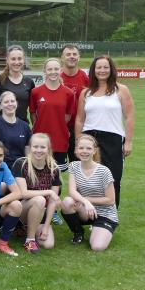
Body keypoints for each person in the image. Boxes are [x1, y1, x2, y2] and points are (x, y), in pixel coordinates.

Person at [75, 55, 134, 208]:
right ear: (93, 71)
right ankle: (90, 215)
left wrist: (128, 141)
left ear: (111, 69)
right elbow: (80, 120)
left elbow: (129, 117)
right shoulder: (86, 93)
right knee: (89, 178)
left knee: (113, 178)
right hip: (90, 139)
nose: (102, 70)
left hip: (113, 140)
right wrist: (78, 141)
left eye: (105, 67)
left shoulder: (121, 90)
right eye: (98, 67)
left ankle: (110, 217)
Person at [59, 134, 118, 251]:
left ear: (95, 151)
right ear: (76, 150)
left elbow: (110, 200)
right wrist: (85, 202)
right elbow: (72, 191)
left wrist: (88, 201)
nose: (84, 151)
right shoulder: (74, 166)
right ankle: (78, 232)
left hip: (105, 214)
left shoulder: (104, 171)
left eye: (89, 148)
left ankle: (99, 228)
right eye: (81, 148)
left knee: (97, 247)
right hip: (85, 210)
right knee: (67, 202)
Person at [12, 133, 61, 254]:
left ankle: (30, 229)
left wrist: (46, 226)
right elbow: (23, 193)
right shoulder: (21, 164)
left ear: (48, 149)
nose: (39, 150)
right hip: (20, 209)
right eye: (35, 147)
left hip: (41, 211)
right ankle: (29, 240)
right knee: (40, 199)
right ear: (29, 148)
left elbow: (53, 202)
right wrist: (48, 191)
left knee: (48, 244)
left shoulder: (54, 169)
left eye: (43, 147)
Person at [29, 58, 75, 171]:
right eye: (50, 69)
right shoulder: (36, 92)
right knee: (38, 174)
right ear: (44, 71)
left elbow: (67, 117)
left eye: (56, 69)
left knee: (56, 176)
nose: (53, 72)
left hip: (59, 141)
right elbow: (33, 115)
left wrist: (57, 126)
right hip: (40, 142)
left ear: (61, 70)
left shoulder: (68, 93)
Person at [0, 91, 32, 169]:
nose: (10, 104)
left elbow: (28, 150)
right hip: (0, 168)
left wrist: (28, 167)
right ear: (0, 105)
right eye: (6, 102)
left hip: (21, 168)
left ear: (16, 104)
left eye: (12, 101)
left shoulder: (25, 126)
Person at [60, 44, 89, 162]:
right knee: (54, 169)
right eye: (68, 54)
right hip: (59, 129)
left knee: (79, 166)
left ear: (79, 57)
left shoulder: (86, 78)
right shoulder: (56, 77)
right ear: (62, 58)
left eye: (74, 54)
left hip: (80, 129)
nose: (71, 57)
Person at [0, 45, 35, 122]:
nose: (17, 62)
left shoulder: (29, 82)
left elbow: (33, 109)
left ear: (24, 60)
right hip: (1, 128)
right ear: (7, 60)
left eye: (19, 59)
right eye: (13, 59)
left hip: (22, 128)